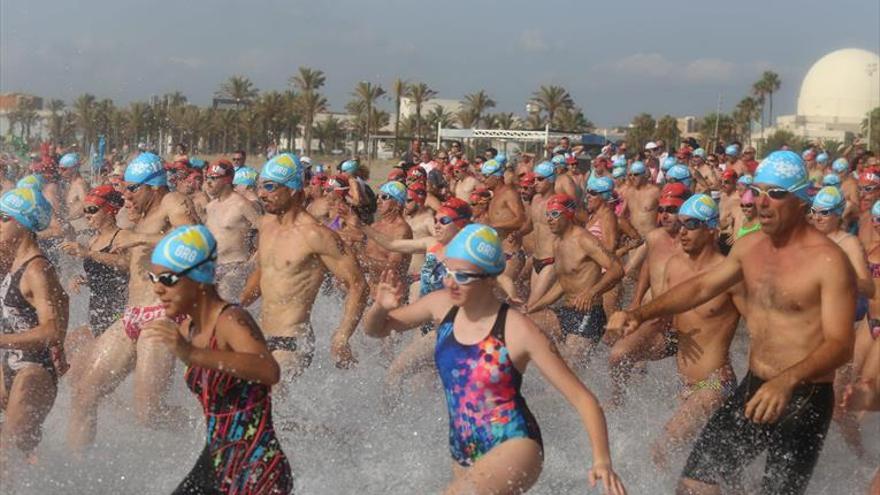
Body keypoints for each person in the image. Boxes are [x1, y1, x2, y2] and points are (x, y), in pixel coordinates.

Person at [608, 150, 856, 494]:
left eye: (777, 193)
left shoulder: (829, 262)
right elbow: (702, 286)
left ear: (802, 201)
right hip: (756, 386)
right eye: (758, 191)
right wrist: (639, 313)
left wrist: (786, 380)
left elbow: (841, 345)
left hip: (804, 396)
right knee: (694, 484)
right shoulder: (750, 246)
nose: (763, 202)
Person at [362, 224, 627, 495]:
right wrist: (380, 307)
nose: (451, 282)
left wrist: (602, 460)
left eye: (463, 276)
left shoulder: (519, 330)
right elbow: (376, 330)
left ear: (490, 279)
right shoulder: (440, 305)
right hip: (463, 445)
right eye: (448, 272)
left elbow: (584, 399)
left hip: (514, 443)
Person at [143, 225, 293, 494]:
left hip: (255, 468)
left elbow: (269, 370)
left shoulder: (230, 319)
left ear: (199, 278)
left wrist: (193, 355)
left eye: (167, 279)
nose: (158, 289)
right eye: (152, 279)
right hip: (217, 459)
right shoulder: (189, 328)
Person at [68, 152, 199, 452]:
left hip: (162, 316)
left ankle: (210, 430)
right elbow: (136, 264)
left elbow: (194, 239)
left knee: (149, 414)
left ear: (152, 186)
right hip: (132, 314)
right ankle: (76, 474)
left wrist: (141, 239)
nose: (126, 195)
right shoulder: (142, 217)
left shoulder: (173, 202)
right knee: (84, 393)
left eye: (132, 188)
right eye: (125, 188)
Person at [639, 194, 743, 470]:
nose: (682, 231)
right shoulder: (675, 265)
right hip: (687, 386)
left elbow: (762, 325)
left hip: (714, 384)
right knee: (715, 468)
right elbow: (669, 314)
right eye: (681, 223)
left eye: (692, 224)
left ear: (711, 228)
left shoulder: (728, 274)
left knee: (662, 449)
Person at [240, 153, 367, 378]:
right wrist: (235, 306)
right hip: (260, 336)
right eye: (260, 186)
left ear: (291, 190)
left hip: (293, 341)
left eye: (270, 187)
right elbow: (264, 273)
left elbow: (358, 284)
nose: (261, 194)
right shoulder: (267, 225)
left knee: (272, 395)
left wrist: (342, 336)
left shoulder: (316, 235)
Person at [0, 188, 68, 472]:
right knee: (21, 451)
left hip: (34, 372)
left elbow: (52, 331)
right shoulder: (9, 262)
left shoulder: (38, 269)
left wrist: (2, 340)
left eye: (3, 217)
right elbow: (65, 298)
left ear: (23, 224)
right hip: (8, 366)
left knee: (7, 453)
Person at [608, 183, 690, 404]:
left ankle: (706, 394)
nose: (664, 215)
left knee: (701, 384)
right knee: (618, 356)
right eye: (661, 209)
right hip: (657, 318)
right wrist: (635, 301)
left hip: (690, 324)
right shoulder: (654, 237)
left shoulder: (696, 242)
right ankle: (619, 399)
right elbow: (647, 266)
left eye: (671, 210)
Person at [527, 195, 624, 362]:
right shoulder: (557, 242)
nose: (550, 219)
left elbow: (617, 269)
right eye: (548, 215)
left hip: (589, 314)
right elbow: (562, 284)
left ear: (569, 214)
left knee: (570, 367)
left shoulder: (584, 239)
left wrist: (592, 292)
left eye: (555, 214)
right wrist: (534, 307)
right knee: (525, 325)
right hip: (567, 312)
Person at [60, 186, 128, 364]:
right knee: (68, 348)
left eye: (92, 210)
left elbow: (125, 264)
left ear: (109, 210)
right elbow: (106, 275)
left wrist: (88, 254)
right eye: (85, 211)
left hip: (117, 313)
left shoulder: (122, 236)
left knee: (94, 366)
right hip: (97, 313)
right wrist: (83, 280)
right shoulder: (93, 240)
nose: (87, 215)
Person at [204, 159, 260, 303]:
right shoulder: (210, 207)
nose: (208, 182)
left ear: (227, 180)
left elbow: (266, 231)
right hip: (213, 267)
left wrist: (252, 263)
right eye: (207, 177)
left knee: (225, 306)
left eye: (214, 178)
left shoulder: (241, 204)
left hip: (236, 267)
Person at [58, 152, 90, 233]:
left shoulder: (80, 184)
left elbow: (86, 206)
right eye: (59, 168)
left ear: (73, 168)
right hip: (74, 225)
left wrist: (68, 217)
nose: (60, 172)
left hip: (81, 226)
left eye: (63, 169)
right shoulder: (70, 184)